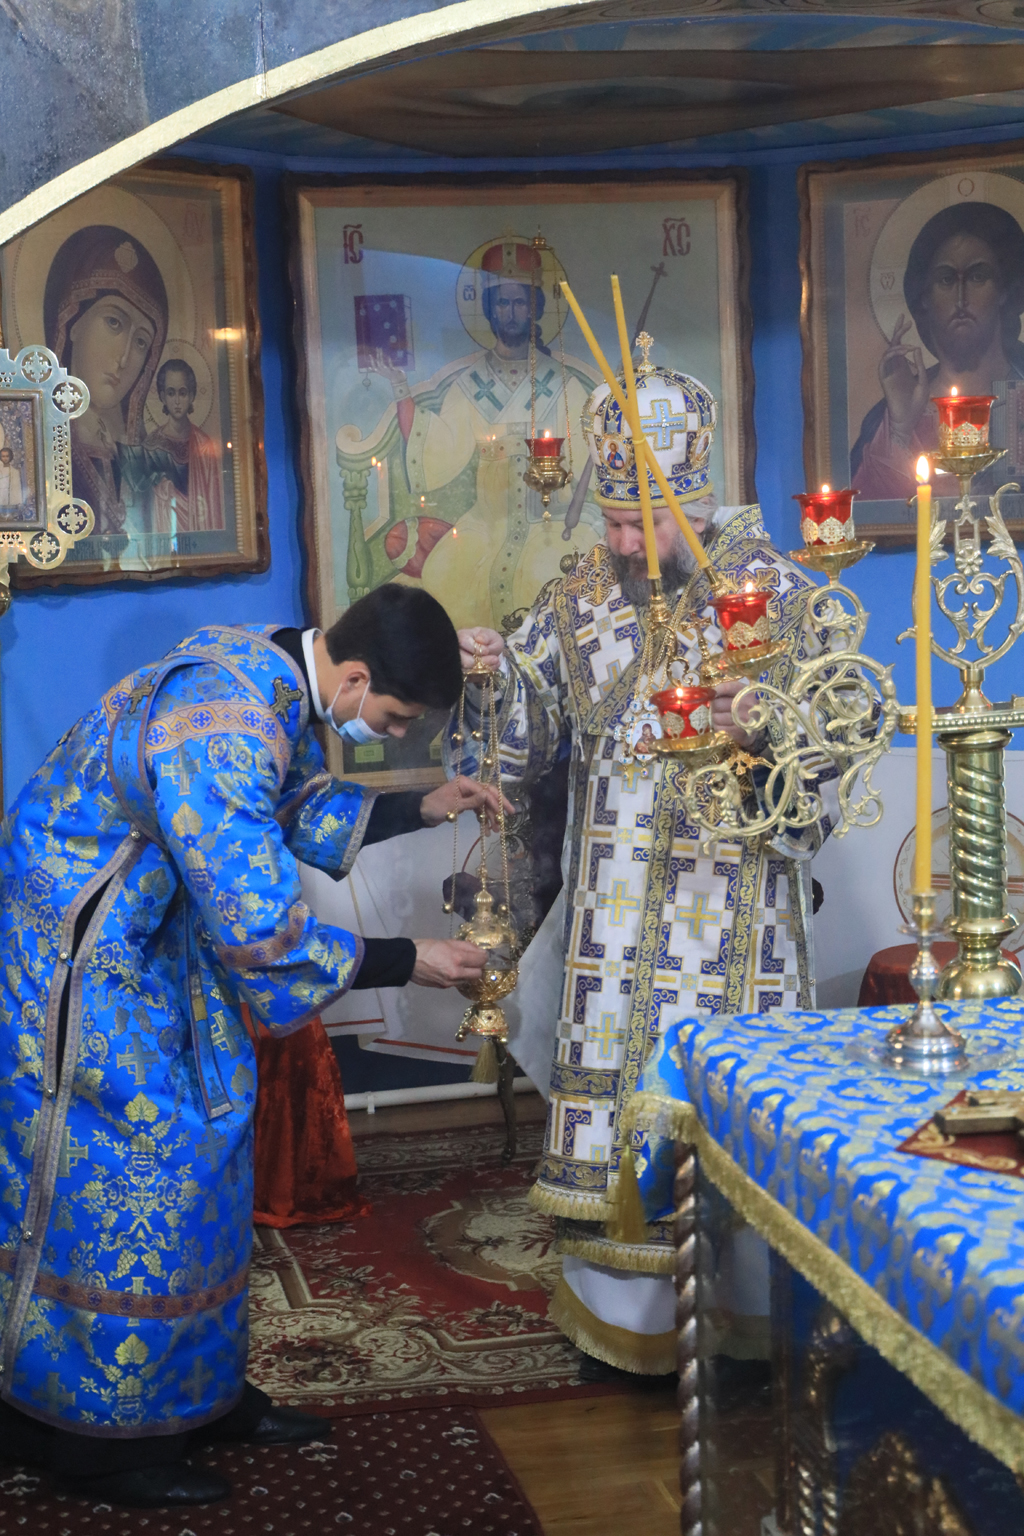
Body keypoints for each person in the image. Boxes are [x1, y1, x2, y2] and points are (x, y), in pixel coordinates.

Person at [0, 584, 500, 1509]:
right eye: (395, 717)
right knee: (141, 1171)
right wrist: (408, 959)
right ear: (355, 676)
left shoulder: (271, 664)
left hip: (155, 936)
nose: (392, 734)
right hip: (84, 957)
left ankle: (197, 1394)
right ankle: (97, 1436)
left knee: (218, 1141)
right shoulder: (225, 722)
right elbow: (261, 927)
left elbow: (286, 800)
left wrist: (419, 807)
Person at [450, 390, 832, 1377]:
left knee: (737, 1114)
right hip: (612, 923)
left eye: (640, 522)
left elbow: (833, 755)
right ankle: (625, 1335)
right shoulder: (578, 598)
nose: (620, 541)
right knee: (614, 1113)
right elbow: (518, 745)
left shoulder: (785, 597)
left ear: (691, 502)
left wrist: (766, 732)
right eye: (611, 519)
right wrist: (489, 677)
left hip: (738, 916)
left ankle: (746, 1337)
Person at [351, 237, 600, 630]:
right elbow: (438, 449)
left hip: (550, 522)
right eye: (502, 303)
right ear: (489, 310)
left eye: (520, 302)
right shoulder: (470, 384)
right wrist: (400, 385)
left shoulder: (563, 385)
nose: (511, 312)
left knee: (555, 576)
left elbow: (591, 465)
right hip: (484, 524)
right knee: (447, 576)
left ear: (534, 308)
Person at [851, 201, 1024, 500]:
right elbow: (868, 513)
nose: (961, 298)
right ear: (925, 298)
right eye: (945, 279)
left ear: (1004, 291)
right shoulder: (892, 416)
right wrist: (901, 430)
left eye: (977, 276)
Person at [145, 358, 225, 534]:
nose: (177, 401)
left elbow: (213, 505)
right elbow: (145, 507)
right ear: (162, 397)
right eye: (171, 393)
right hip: (165, 534)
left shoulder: (204, 445)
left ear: (191, 396)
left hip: (200, 533)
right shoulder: (152, 446)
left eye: (182, 393)